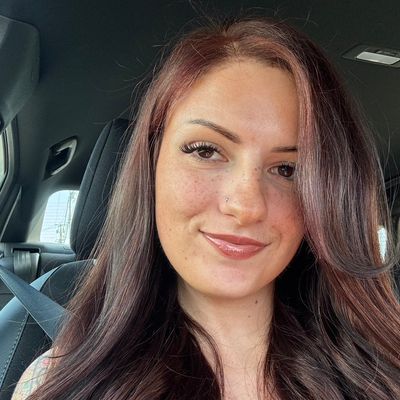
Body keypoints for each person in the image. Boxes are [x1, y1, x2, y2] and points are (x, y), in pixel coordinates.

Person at [12, 16, 400, 400]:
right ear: (152, 164)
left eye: (288, 169)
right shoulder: (58, 383)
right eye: (206, 151)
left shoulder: (382, 374)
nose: (246, 206)